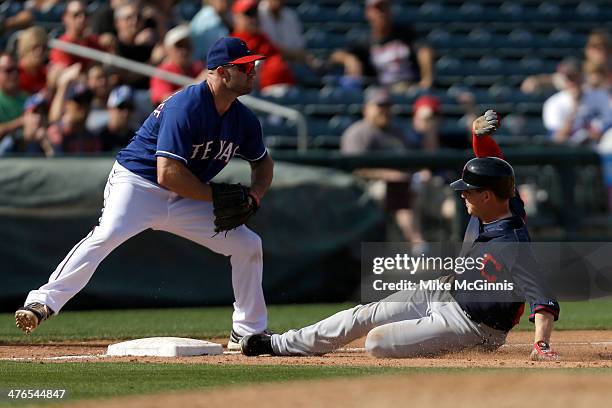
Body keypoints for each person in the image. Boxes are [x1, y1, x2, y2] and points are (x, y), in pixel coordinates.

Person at [15, 37, 274, 352]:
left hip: (187, 194)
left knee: (247, 244)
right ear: (221, 71)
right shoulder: (186, 106)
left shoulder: (243, 119)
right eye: (245, 66)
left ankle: (247, 332)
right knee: (107, 233)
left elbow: (262, 163)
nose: (253, 71)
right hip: (138, 183)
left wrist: (256, 196)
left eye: (253, 65)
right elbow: (167, 172)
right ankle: (42, 302)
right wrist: (216, 197)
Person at [240, 110, 561, 361]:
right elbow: (496, 165)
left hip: (474, 327)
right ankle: (279, 344)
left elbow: (542, 298)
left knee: (377, 343)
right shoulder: (505, 199)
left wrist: (541, 343)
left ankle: (459, 354)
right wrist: (478, 137)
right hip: (443, 292)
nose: (462, 196)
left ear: (488, 196)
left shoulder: (512, 244)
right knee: (363, 315)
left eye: (469, 191)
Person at [330, 0, 434, 92]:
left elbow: (424, 51)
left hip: (410, 88)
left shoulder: (406, 35)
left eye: (385, 8)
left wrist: (426, 80)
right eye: (378, 9)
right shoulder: (365, 42)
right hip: (382, 92)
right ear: (368, 13)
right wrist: (349, 59)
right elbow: (336, 56)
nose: (381, 13)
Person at [231, 0, 296, 94]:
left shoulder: (262, 37)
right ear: (236, 18)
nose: (253, 19)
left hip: (285, 88)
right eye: (248, 14)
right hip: (260, 95)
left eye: (255, 13)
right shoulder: (233, 42)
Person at [542, 58, 612, 145]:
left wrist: (595, 133)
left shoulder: (599, 96)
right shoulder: (553, 103)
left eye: (576, 77)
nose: (573, 82)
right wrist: (575, 106)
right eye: (569, 78)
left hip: (597, 148)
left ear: (583, 77)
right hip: (568, 152)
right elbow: (557, 138)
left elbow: (608, 125)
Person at [150, 25, 204, 105]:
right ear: (168, 50)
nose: (184, 50)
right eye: (179, 46)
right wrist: (196, 84)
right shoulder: (162, 73)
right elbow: (165, 101)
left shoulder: (198, 67)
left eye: (187, 45)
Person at [96, 85, 136, 152]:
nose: (126, 113)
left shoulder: (136, 139)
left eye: (130, 108)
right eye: (121, 107)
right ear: (110, 108)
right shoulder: (98, 137)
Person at [0, 54, 28, 143]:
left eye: (17, 70)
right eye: (9, 70)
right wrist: (21, 122)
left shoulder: (27, 98)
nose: (14, 74)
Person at [17, 26, 48, 95]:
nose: (40, 51)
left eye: (43, 47)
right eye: (35, 47)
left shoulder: (46, 74)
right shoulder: (13, 74)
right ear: (24, 47)